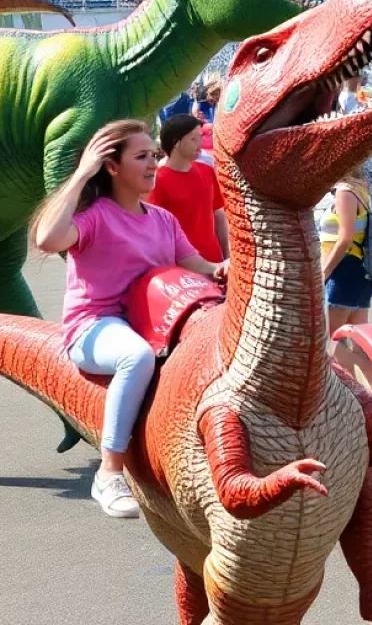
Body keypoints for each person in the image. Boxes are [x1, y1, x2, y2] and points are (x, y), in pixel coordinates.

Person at [31, 120, 226, 519]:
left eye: (154, 155)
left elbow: (197, 265)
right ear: (112, 167)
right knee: (134, 357)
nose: (153, 163)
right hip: (95, 327)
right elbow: (48, 240)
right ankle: (109, 472)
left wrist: (225, 268)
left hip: (154, 324)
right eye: (142, 156)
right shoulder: (96, 216)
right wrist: (83, 172)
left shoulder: (162, 220)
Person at [319, 160, 372, 392]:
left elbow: (344, 239)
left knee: (330, 337)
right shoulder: (361, 189)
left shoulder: (345, 192)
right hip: (361, 270)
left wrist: (324, 272)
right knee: (358, 337)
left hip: (344, 271)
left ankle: (358, 384)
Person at [148, 114, 228, 263]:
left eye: (200, 137)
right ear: (176, 142)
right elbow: (157, 232)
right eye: (193, 139)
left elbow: (219, 216)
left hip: (215, 261)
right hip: (183, 269)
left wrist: (228, 256)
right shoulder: (158, 181)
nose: (200, 143)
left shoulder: (207, 171)